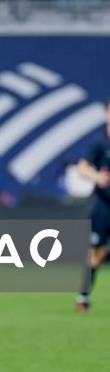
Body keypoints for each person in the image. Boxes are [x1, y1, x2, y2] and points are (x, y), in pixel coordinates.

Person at [74, 99, 110, 313]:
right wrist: (97, 176)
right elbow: (82, 169)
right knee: (97, 251)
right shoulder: (99, 144)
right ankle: (83, 295)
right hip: (103, 205)